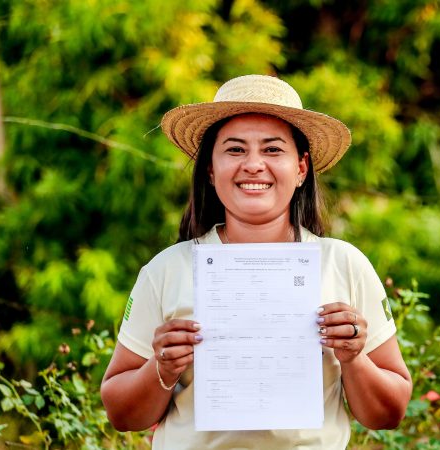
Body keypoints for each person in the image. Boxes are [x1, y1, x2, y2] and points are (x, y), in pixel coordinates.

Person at [101, 74, 412, 449]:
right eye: (234, 150)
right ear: (211, 170)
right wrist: (161, 368)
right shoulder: (168, 270)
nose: (253, 165)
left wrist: (354, 358)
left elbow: (389, 413)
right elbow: (121, 414)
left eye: (272, 150)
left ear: (301, 169)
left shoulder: (343, 264)